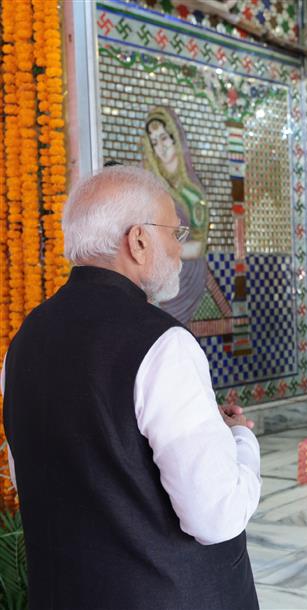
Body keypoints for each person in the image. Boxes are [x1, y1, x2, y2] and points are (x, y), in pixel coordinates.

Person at [0, 166, 262, 609]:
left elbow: (48, 474)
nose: (180, 251)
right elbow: (215, 517)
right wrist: (241, 440)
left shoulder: (24, 340)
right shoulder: (164, 344)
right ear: (138, 240)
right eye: (175, 233)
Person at [142, 106, 209, 324]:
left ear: (175, 139)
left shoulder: (192, 193)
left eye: (164, 138)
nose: (160, 147)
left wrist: (163, 250)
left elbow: (199, 247)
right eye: (154, 142)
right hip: (155, 273)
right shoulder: (151, 188)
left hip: (187, 276)